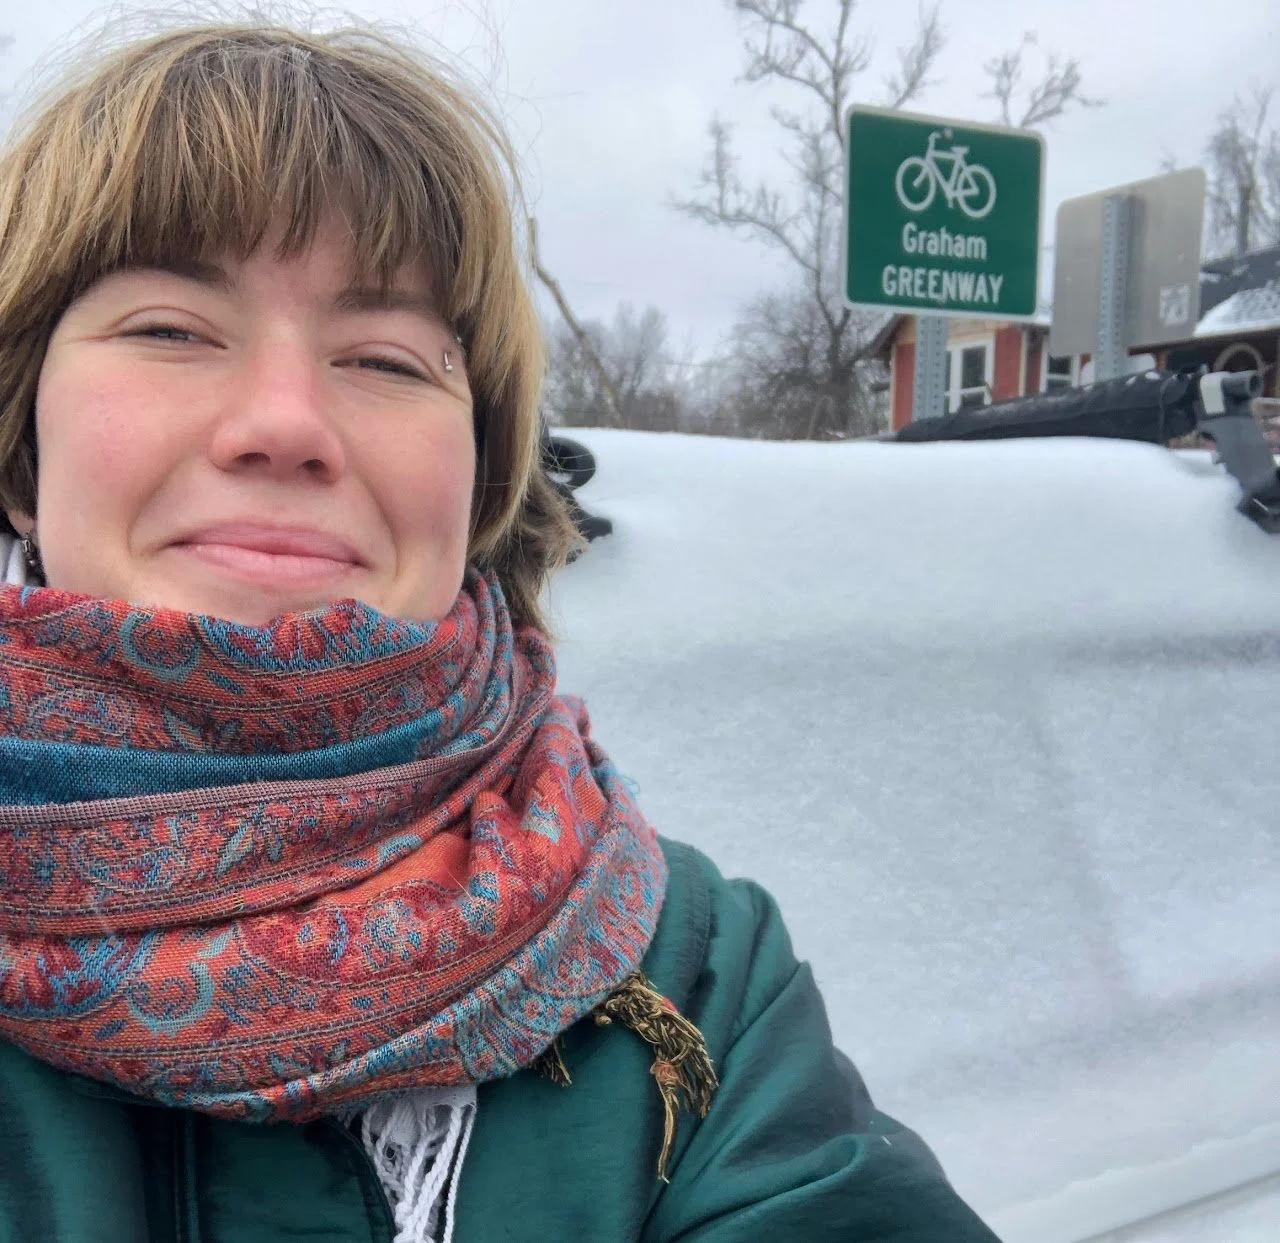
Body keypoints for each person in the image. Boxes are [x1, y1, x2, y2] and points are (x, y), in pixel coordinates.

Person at [0, 21, 1000, 1243]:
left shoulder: (691, 964)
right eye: (168, 328)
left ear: (477, 475)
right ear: (21, 437)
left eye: (381, 356)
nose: (283, 421)